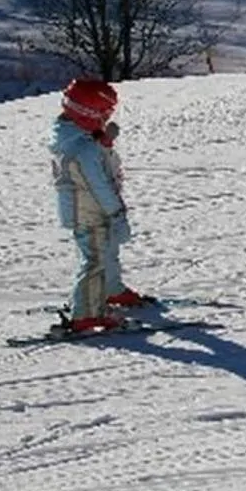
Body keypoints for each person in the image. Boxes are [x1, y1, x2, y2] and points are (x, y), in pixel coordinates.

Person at [51, 77, 130, 332]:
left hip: (82, 208)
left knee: (103, 252)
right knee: (94, 260)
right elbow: (99, 185)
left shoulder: (71, 135)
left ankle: (108, 292)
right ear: (90, 112)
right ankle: (85, 314)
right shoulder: (83, 148)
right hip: (90, 211)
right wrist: (117, 214)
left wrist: (103, 143)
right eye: (105, 113)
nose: (107, 118)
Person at [96, 119, 153, 309]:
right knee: (103, 250)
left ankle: (110, 289)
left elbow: (114, 177)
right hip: (100, 207)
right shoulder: (93, 153)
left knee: (110, 249)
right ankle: (106, 291)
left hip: (109, 204)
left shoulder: (108, 153)